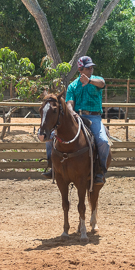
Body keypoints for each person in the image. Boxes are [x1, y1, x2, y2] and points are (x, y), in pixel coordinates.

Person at [44, 55, 111, 184]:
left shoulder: (97, 81)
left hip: (94, 117)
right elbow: (69, 103)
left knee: (103, 141)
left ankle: (100, 171)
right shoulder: (73, 86)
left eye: (91, 67)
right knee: (50, 137)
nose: (91, 70)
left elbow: (102, 84)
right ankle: (52, 166)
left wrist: (89, 81)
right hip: (77, 116)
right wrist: (72, 112)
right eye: (88, 68)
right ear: (80, 69)